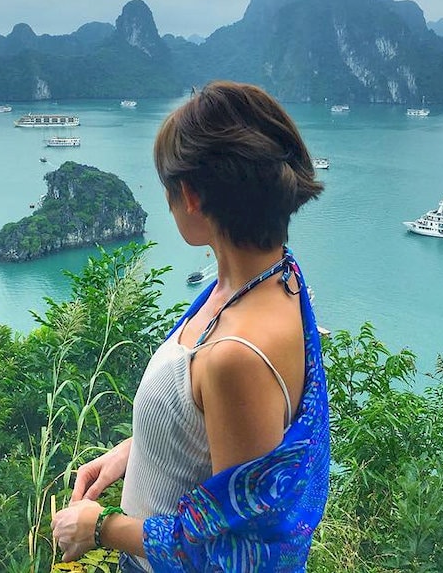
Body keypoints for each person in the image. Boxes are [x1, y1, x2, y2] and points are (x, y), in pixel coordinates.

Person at [51, 81, 329, 571]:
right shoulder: (273, 277)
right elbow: (213, 430)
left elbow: (229, 548)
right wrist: (138, 449)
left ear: (191, 196)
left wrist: (99, 528)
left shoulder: (237, 355)